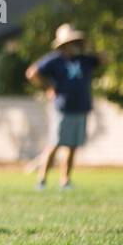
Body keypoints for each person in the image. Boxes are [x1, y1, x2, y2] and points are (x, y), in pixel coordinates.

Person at [26, 23, 106, 190]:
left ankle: (65, 181)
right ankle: (41, 180)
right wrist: (48, 87)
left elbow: (104, 58)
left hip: (81, 107)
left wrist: (88, 47)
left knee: (72, 146)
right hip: (63, 107)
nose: (72, 45)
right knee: (55, 143)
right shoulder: (54, 60)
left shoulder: (84, 59)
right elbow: (32, 73)